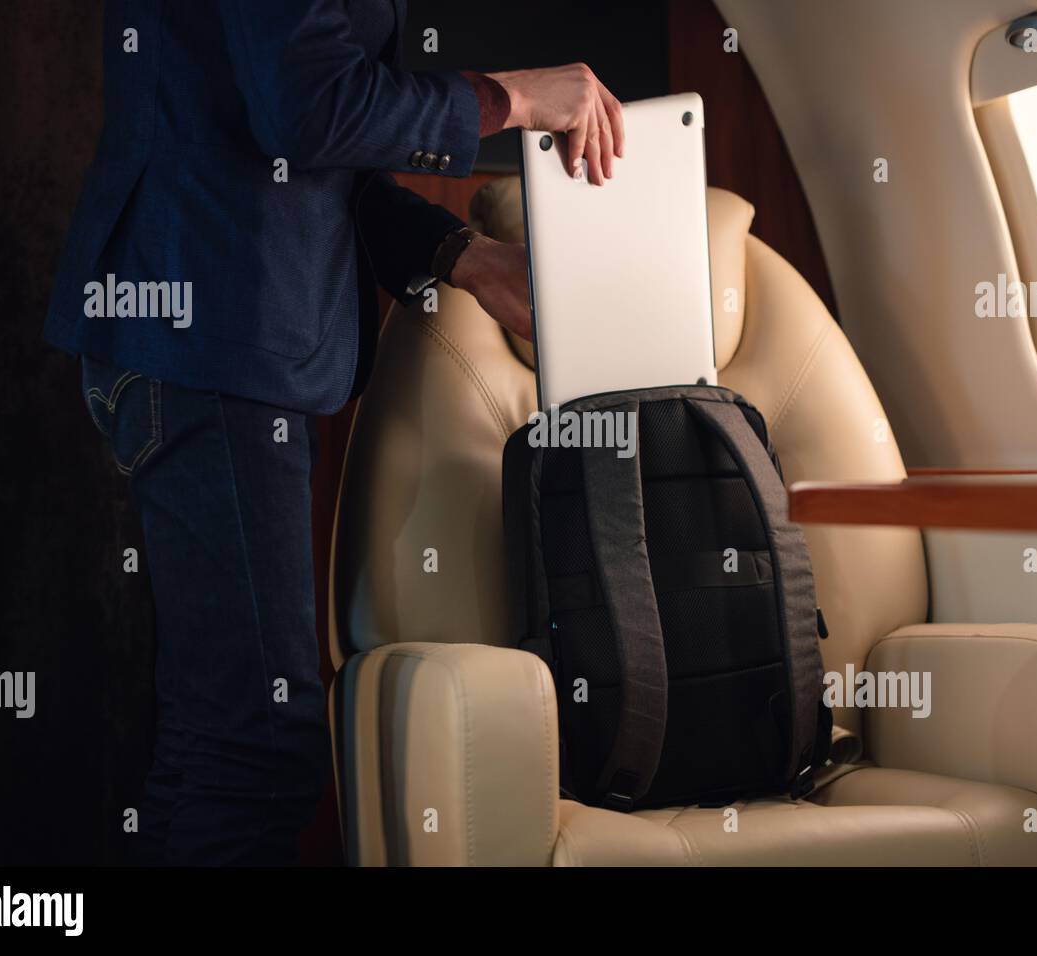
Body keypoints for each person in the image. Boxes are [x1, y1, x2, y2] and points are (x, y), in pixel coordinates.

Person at [43, 0, 624, 866]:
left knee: (220, 748)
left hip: (209, 338)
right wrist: (515, 98)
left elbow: (308, 149)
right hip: (207, 340)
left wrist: (466, 256)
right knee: (256, 753)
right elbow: (311, 110)